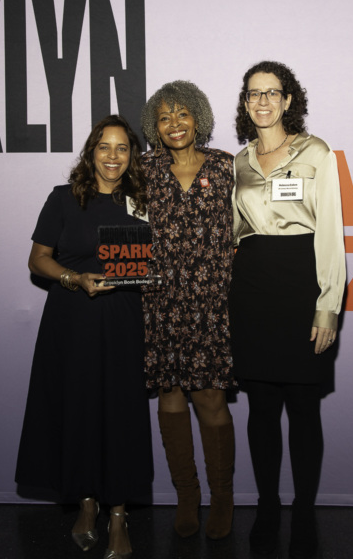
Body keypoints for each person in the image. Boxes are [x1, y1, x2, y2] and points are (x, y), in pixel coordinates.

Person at [15, 115, 153, 559]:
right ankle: (86, 505)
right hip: (71, 318)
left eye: (122, 149)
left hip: (122, 320)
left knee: (119, 416)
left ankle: (118, 514)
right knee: (77, 412)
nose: (113, 156)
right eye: (104, 147)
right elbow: (39, 259)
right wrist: (75, 277)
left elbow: (155, 258)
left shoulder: (143, 201)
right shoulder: (63, 199)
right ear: (90, 153)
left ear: (132, 156)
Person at [228, 61, 346, 559]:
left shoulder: (316, 152)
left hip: (302, 284)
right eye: (254, 94)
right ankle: (269, 505)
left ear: (288, 99)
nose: (263, 101)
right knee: (260, 411)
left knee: (303, 411)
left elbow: (332, 232)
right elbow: (234, 233)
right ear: (246, 101)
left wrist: (329, 305)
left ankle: (302, 511)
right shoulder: (237, 161)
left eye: (272, 93)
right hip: (252, 290)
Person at [139, 80, 237, 540]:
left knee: (211, 398)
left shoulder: (225, 167)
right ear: (153, 127)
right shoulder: (143, 171)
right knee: (171, 398)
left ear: (198, 117)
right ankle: (186, 496)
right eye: (164, 117)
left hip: (211, 303)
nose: (174, 124)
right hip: (159, 302)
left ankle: (222, 498)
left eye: (182, 114)